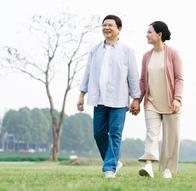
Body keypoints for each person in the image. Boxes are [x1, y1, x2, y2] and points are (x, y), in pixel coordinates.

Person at [77, 14, 140, 179]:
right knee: (98, 133)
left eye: (110, 25)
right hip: (99, 99)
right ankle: (113, 161)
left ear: (119, 29)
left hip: (119, 100)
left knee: (115, 133)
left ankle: (109, 169)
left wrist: (136, 98)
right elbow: (88, 73)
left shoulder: (127, 51)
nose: (106, 28)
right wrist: (82, 94)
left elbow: (133, 76)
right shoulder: (95, 49)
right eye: (104, 25)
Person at [138, 21, 183, 179]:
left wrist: (177, 99)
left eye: (150, 32)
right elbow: (143, 80)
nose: (147, 35)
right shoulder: (146, 56)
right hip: (152, 102)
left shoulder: (173, 54)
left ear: (160, 34)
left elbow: (179, 79)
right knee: (152, 134)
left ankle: (167, 170)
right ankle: (148, 165)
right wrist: (137, 100)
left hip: (171, 104)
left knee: (172, 138)